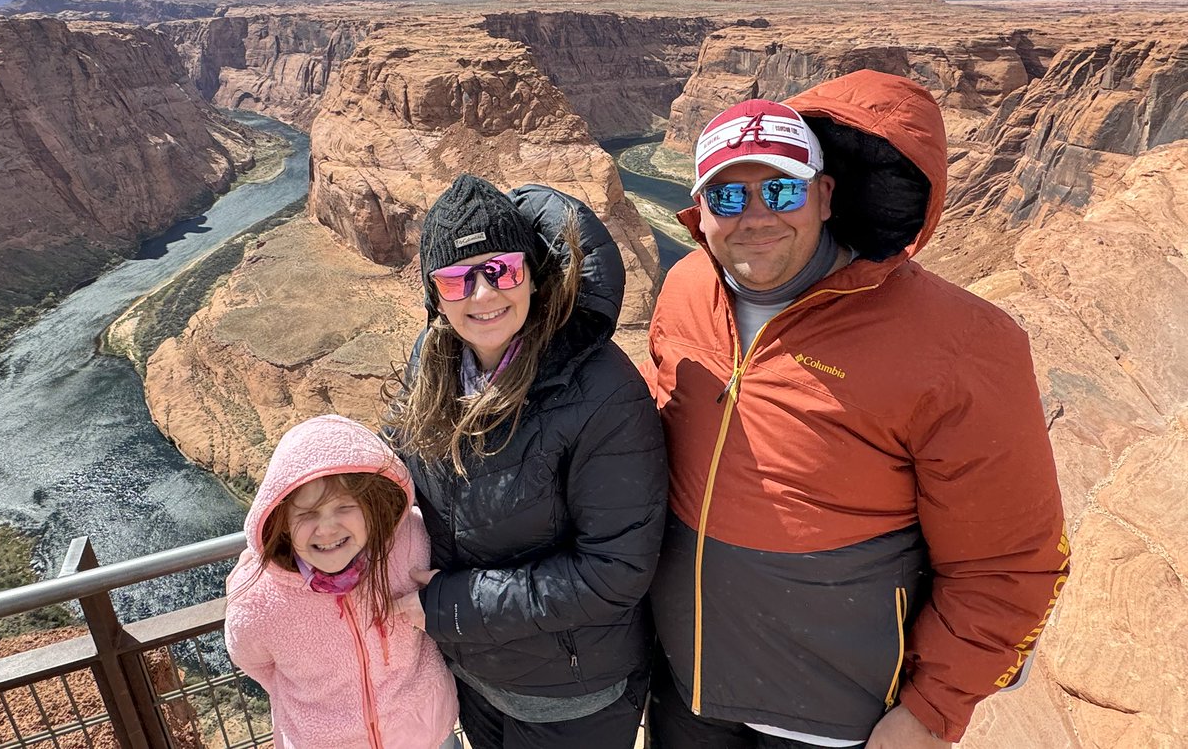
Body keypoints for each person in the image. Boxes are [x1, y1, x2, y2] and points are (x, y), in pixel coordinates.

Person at [643, 70, 1069, 748]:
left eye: (780, 190)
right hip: (688, 691)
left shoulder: (960, 344)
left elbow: (1011, 561)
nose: (755, 216)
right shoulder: (686, 288)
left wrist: (932, 712)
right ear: (700, 208)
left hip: (840, 716)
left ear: (825, 194)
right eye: (727, 194)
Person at [382, 173, 667, 749]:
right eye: (457, 279)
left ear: (532, 274)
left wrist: (451, 606)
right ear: (434, 296)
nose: (483, 295)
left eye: (501, 270)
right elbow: (393, 459)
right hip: (474, 678)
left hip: (571, 695)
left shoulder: (602, 390)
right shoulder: (433, 363)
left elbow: (614, 570)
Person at [224, 414, 459, 749]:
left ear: (370, 508)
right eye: (307, 514)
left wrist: (443, 594)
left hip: (427, 735)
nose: (327, 529)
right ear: (283, 524)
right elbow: (252, 660)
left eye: (344, 507)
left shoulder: (411, 546)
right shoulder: (260, 600)